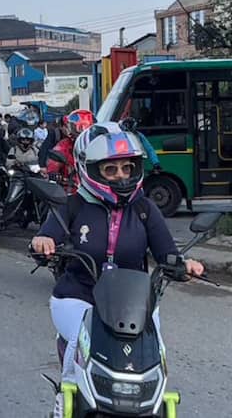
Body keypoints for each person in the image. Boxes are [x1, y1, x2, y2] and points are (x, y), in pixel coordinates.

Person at [31, 122, 204, 418]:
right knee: (79, 341)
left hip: (134, 303)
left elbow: (167, 252)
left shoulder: (145, 209)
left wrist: (183, 264)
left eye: (127, 168)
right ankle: (68, 399)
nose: (121, 175)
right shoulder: (72, 206)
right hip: (78, 297)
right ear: (91, 170)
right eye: (110, 170)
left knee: (154, 351)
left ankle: (155, 403)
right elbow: (46, 236)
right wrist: (43, 241)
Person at [46, 109, 95, 195]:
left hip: (96, 190)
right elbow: (53, 164)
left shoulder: (99, 145)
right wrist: (53, 174)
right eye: (71, 126)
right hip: (71, 191)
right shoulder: (63, 146)